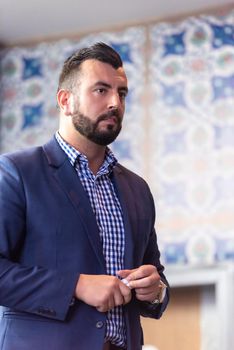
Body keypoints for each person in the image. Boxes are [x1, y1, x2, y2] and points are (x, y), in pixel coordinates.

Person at [0, 42, 169, 350]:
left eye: (121, 93)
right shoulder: (16, 172)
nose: (115, 103)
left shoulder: (138, 189)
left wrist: (155, 289)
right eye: (101, 90)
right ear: (66, 100)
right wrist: (75, 285)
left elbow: (156, 279)